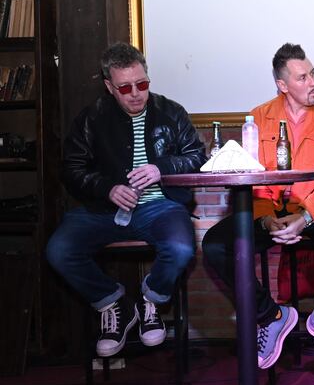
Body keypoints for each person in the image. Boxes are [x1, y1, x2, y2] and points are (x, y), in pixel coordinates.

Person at [202, 43, 314, 369]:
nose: (313, 82)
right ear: (283, 85)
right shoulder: (260, 116)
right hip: (271, 208)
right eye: (303, 77)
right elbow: (254, 174)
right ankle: (271, 316)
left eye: (313, 73)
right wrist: (266, 220)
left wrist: (304, 217)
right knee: (215, 245)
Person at [47, 42, 206, 357]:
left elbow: (197, 157)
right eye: (125, 87)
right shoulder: (92, 118)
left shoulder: (171, 112)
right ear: (109, 87)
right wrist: (106, 188)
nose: (136, 93)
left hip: (160, 207)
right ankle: (114, 303)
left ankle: (151, 301)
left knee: (181, 248)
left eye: (142, 84)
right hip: (104, 209)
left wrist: (161, 168)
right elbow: (71, 169)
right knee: (59, 251)